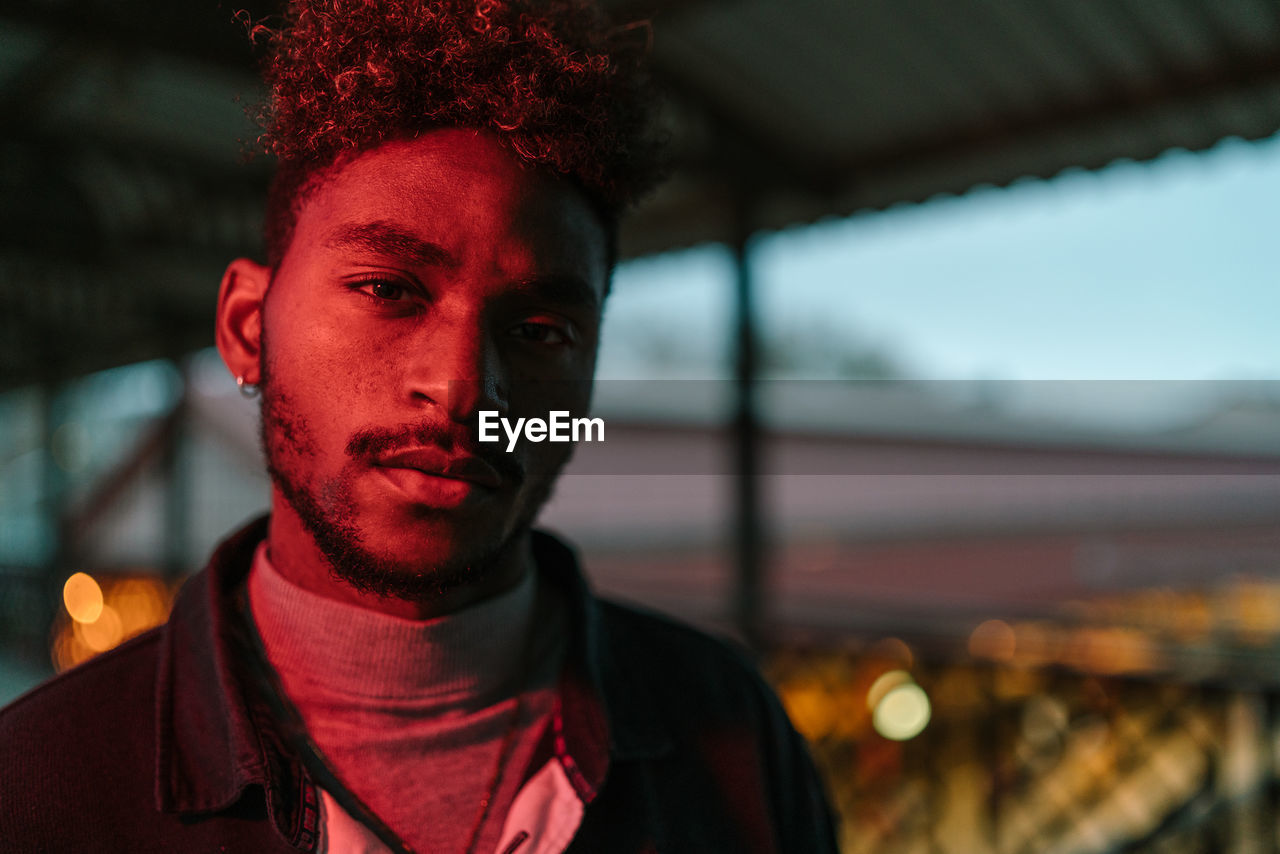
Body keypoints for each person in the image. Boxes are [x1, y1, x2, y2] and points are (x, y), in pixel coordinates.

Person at [0, 1, 839, 851]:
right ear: (249, 328)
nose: (465, 388)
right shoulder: (41, 788)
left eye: (542, 332)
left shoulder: (734, 744)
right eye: (388, 289)